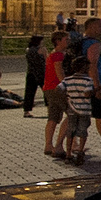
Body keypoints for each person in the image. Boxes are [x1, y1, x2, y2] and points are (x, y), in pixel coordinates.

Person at [57, 56, 94, 164]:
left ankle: (68, 154)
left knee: (71, 131)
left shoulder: (67, 80)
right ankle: (80, 151)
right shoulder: (88, 80)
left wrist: (67, 96)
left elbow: (58, 89)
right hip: (84, 109)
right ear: (84, 68)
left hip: (72, 108)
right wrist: (95, 91)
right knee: (82, 131)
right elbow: (87, 93)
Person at [42, 30, 71, 158]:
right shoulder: (58, 55)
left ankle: (48, 145)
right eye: (66, 39)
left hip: (48, 88)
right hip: (57, 88)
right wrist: (68, 86)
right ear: (58, 41)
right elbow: (60, 73)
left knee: (53, 118)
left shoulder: (51, 55)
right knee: (72, 113)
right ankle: (59, 145)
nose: (68, 41)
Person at [20, 34, 45, 117]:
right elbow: (45, 61)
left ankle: (26, 111)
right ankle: (50, 109)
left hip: (31, 73)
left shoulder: (29, 50)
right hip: (41, 73)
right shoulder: (40, 50)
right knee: (46, 92)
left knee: (29, 93)